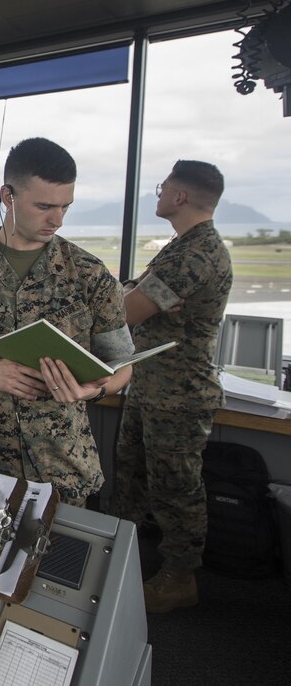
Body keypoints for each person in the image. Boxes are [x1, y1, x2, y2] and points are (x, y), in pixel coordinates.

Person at [0, 138, 134, 506]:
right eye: (44, 206)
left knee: (50, 561)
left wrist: (94, 391)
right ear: (8, 196)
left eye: (66, 207)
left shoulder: (89, 276)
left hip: (59, 464)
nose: (57, 219)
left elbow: (122, 365)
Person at [114, 160, 233, 614]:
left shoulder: (195, 255)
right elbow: (133, 291)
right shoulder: (181, 247)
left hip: (179, 393)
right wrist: (127, 293)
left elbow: (128, 311)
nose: (158, 193)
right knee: (133, 475)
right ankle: (119, 558)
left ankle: (179, 578)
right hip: (151, 384)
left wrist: (125, 296)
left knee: (175, 487)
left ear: (180, 197)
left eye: (164, 187)